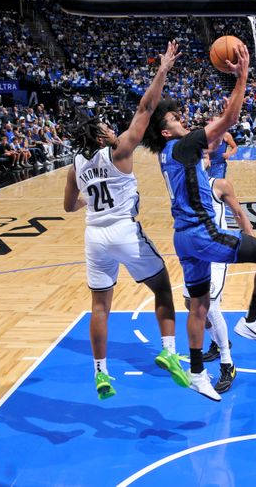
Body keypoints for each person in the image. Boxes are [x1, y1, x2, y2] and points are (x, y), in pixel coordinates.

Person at [142, 43, 256, 402]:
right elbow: (229, 120)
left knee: (198, 306)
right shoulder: (183, 146)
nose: (181, 119)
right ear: (166, 132)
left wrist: (163, 73)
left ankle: (196, 373)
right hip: (204, 236)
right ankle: (250, 322)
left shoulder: (168, 155)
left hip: (182, 239)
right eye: (174, 119)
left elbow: (155, 113)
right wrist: (242, 77)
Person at [62, 42, 188, 400]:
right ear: (102, 137)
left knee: (100, 306)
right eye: (107, 127)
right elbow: (147, 107)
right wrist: (162, 69)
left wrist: (93, 196)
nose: (113, 129)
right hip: (123, 230)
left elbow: (70, 206)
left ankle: (101, 373)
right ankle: (168, 350)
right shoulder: (118, 151)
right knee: (163, 288)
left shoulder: (75, 164)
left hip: (93, 237)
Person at [183, 170, 253, 393]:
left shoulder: (220, 185)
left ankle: (227, 364)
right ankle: (216, 341)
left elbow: (239, 212)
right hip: (194, 253)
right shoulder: (182, 185)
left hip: (215, 252)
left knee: (209, 307)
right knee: (190, 304)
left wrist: (252, 244)